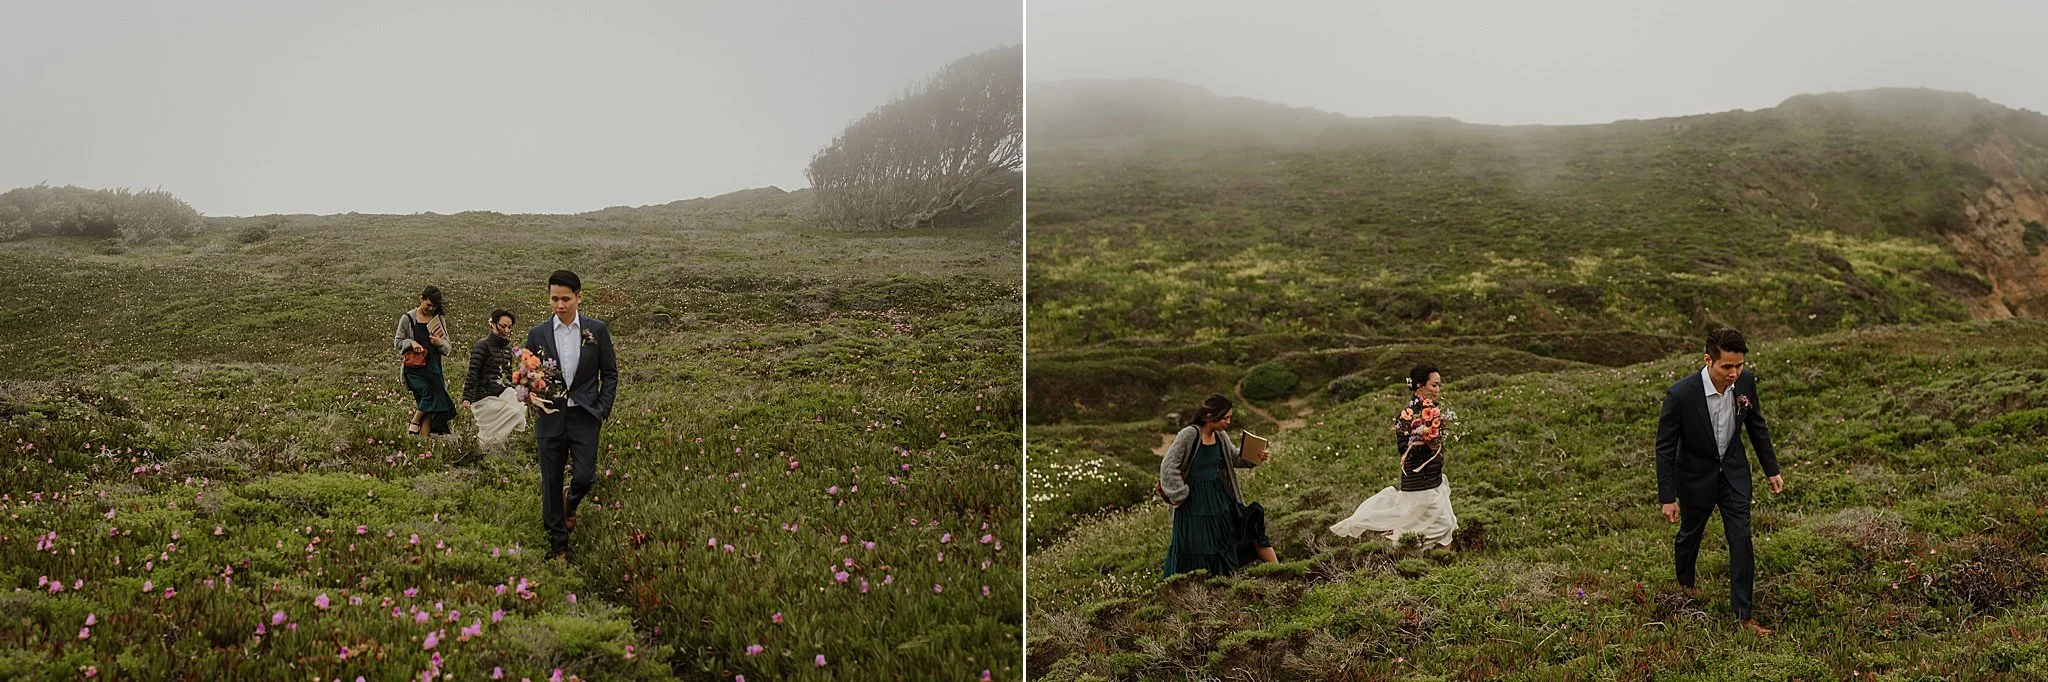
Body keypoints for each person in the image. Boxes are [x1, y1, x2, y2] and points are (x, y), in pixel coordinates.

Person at [1655, 327, 1784, 636]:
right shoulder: (1681, 394)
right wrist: (1667, 497)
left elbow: (1757, 427)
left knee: (1741, 538)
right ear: (1708, 360)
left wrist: (1771, 469)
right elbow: (1665, 447)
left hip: (1734, 475)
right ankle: (1685, 589)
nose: (1734, 373)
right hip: (1695, 477)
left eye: (1739, 366)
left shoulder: (1746, 383)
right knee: (1689, 535)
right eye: (1727, 366)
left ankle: (1744, 615)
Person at [523, 270, 618, 562]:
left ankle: (571, 500)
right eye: (554, 299)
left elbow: (610, 374)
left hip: (585, 416)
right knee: (550, 482)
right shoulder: (537, 333)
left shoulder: (597, 330)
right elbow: (525, 373)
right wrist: (529, 394)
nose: (560, 305)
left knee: (586, 477)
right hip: (549, 416)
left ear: (579, 297)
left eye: (565, 299)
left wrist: (602, 408)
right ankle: (559, 547)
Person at [1329, 364, 1460, 548]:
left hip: (1434, 476)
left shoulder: (1435, 410)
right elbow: (1403, 448)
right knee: (1442, 525)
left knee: (1448, 525)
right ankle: (1397, 540)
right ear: (1420, 385)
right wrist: (1427, 445)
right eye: (1434, 385)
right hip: (1420, 480)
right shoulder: (1408, 414)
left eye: (1439, 385)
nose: (1438, 389)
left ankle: (1440, 561)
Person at [1159, 394, 1276, 577]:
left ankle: (1271, 571)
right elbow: (1168, 466)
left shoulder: (1220, 436)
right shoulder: (1189, 434)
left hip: (1218, 498)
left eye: (1229, 417)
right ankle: (1197, 585)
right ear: (1209, 415)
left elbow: (1234, 458)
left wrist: (1255, 457)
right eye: (1225, 418)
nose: (1228, 422)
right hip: (1193, 503)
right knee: (1198, 545)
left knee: (1237, 534)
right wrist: (1180, 494)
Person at [394, 286, 455, 437]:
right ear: (421, 298)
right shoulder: (407, 319)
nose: (431, 308)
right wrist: (411, 343)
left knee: (429, 409)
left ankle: (423, 442)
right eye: (428, 304)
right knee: (428, 394)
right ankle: (414, 422)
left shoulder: (438, 319)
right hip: (414, 369)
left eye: (434, 306)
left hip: (433, 369)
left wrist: (439, 343)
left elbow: (447, 347)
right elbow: (398, 342)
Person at [463, 308, 526, 449]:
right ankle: (487, 449)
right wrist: (467, 397)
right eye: (503, 326)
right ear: (493, 324)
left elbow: (508, 376)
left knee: (521, 408)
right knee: (513, 414)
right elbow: (473, 372)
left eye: (509, 327)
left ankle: (493, 449)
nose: (506, 330)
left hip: (501, 394)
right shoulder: (482, 345)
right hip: (483, 396)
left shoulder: (507, 349)